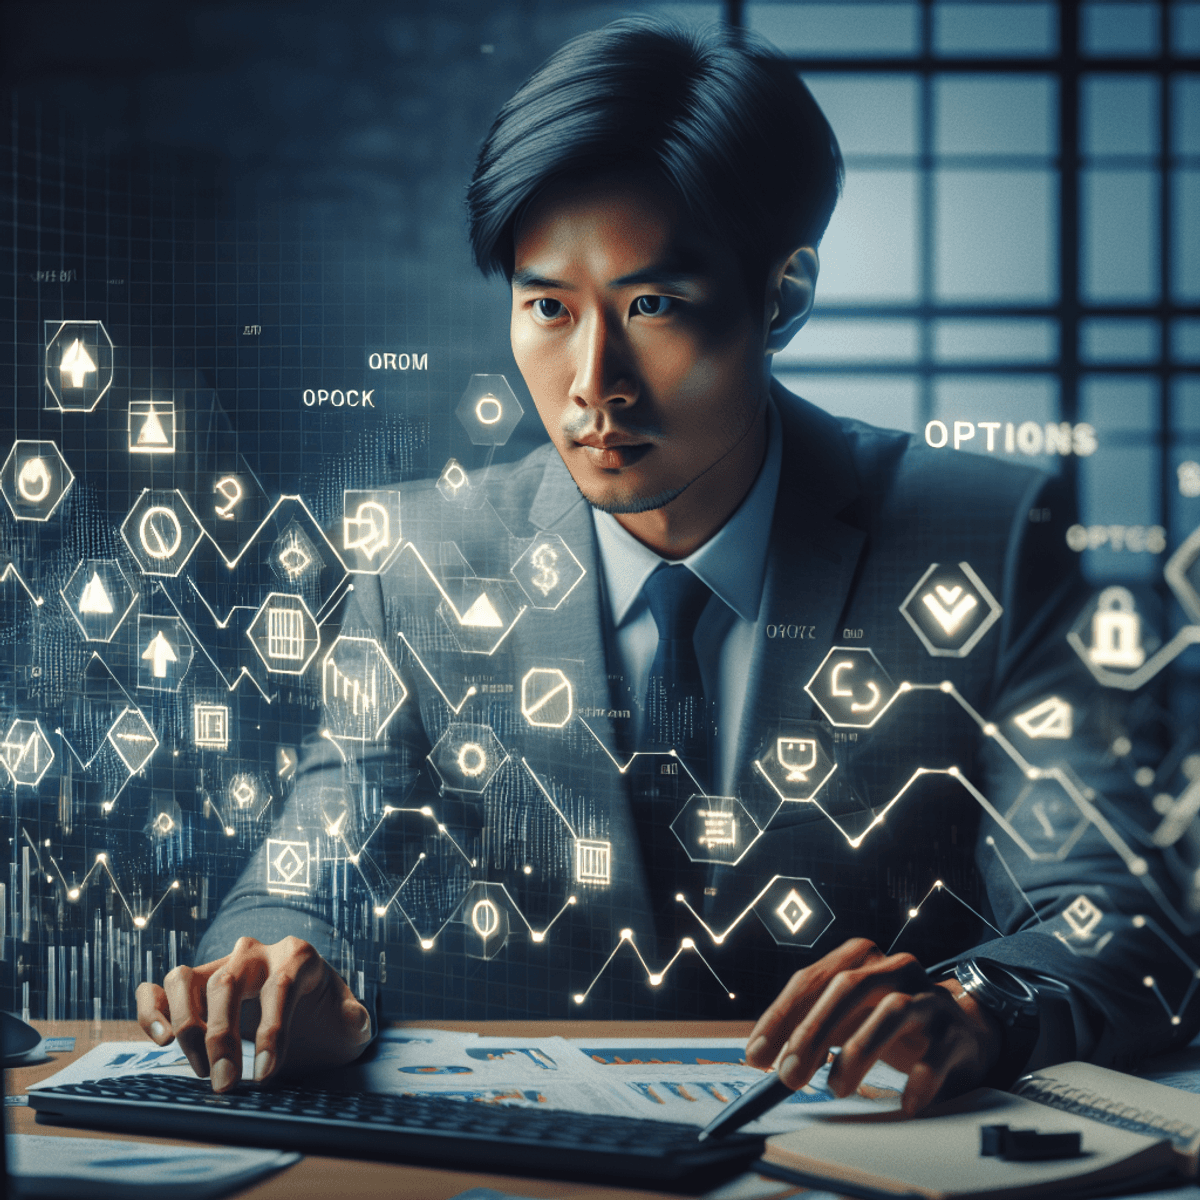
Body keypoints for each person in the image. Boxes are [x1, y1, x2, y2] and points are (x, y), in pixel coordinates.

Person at [137, 17, 1195, 1114]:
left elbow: (1110, 915)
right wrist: (272, 969)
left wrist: (977, 1005)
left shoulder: (982, 536)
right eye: (548, 307)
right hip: (518, 1164)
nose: (595, 382)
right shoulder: (423, 559)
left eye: (654, 306)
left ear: (782, 296)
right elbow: (309, 864)